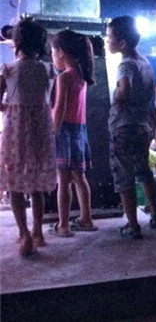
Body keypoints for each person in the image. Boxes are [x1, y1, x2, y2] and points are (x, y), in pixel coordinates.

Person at [0, 18, 56, 256]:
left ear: (18, 41)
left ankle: (24, 234)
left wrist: (11, 108)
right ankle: (38, 232)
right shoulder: (47, 69)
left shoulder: (8, 69)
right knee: (36, 184)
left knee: (14, 183)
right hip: (40, 130)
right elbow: (50, 101)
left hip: (15, 131)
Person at [106, 15, 156, 240]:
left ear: (122, 43)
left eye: (109, 37)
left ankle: (132, 225)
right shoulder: (145, 62)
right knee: (144, 171)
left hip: (124, 127)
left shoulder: (126, 64)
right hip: (142, 126)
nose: (107, 41)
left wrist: (116, 94)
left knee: (124, 176)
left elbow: (124, 90)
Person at [50, 30, 97, 236]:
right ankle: (86, 219)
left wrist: (52, 132)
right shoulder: (81, 77)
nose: (52, 56)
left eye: (53, 52)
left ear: (61, 52)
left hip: (64, 131)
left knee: (63, 180)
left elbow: (59, 108)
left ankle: (63, 225)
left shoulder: (64, 77)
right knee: (79, 177)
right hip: (80, 131)